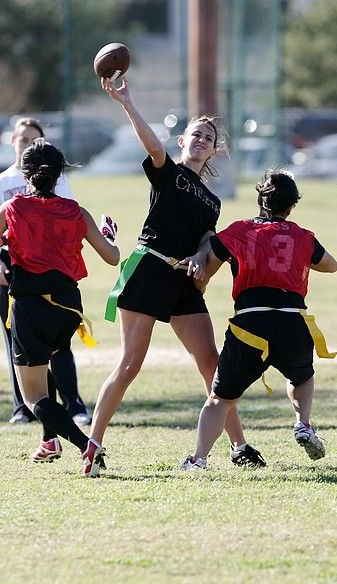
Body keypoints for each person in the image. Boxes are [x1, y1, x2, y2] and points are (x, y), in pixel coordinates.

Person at [81, 76, 265, 477]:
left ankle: (239, 446)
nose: (201, 139)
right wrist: (128, 102)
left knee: (213, 365)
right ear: (182, 141)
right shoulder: (169, 172)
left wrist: (202, 256)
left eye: (209, 137)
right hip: (148, 269)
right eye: (195, 133)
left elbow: (207, 241)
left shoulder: (212, 200)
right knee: (130, 364)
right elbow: (150, 145)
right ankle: (93, 445)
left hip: (182, 282)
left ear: (215, 150)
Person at [0, 139, 120, 468]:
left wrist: (7, 234)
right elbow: (112, 257)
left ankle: (88, 445)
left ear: (25, 175)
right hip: (69, 309)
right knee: (45, 368)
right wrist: (109, 235)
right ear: (60, 175)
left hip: (31, 307)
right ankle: (49, 441)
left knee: (33, 396)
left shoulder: (12, 209)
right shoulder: (76, 211)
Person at [181, 168, 337, 470]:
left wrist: (198, 276)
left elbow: (206, 272)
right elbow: (331, 266)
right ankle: (303, 423)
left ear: (260, 200)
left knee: (220, 399)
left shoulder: (238, 231)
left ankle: (198, 460)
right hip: (293, 322)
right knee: (301, 376)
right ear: (291, 206)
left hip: (250, 326)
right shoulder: (303, 236)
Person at [0, 116, 92, 426]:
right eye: (22, 138)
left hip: (46, 278)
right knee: (21, 345)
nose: (27, 143)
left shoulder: (29, 199)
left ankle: (71, 406)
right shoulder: (0, 186)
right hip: (20, 274)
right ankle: (28, 412)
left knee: (49, 348)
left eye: (34, 139)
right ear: (13, 141)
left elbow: (64, 222)